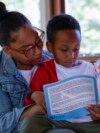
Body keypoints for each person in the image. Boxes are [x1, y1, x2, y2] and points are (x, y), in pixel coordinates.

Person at [0, 2, 76, 133]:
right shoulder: (2, 74)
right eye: (28, 49)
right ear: (8, 51)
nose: (38, 52)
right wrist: (36, 108)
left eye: (38, 41)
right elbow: (2, 124)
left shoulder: (52, 59)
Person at [24, 14, 100, 133]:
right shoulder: (44, 69)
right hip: (58, 122)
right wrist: (34, 94)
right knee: (32, 121)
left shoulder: (90, 69)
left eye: (76, 49)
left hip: (89, 121)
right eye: (64, 50)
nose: (72, 56)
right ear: (50, 47)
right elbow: (30, 99)